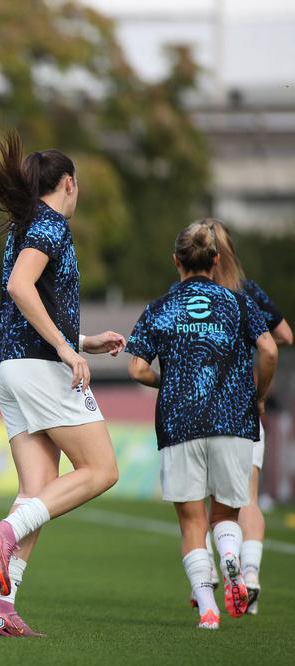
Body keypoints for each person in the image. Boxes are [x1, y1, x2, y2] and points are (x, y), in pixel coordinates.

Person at [0, 131, 123, 637]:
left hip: (8, 368)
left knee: (37, 490)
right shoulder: (51, 225)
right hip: (38, 365)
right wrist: (65, 348)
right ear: (69, 184)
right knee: (101, 469)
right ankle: (4, 532)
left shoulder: (25, 227)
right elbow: (20, 287)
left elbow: (28, 301)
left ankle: (0, 607)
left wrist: (83, 337)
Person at [126, 222, 277, 629]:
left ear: (176, 261)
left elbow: (137, 368)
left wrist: (167, 379)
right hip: (232, 420)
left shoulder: (160, 307)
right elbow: (268, 348)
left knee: (191, 521)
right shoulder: (239, 303)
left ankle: (208, 609)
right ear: (215, 261)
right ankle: (232, 558)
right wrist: (259, 393)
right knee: (226, 514)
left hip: (178, 423)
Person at [193, 219, 291, 615]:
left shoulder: (188, 291)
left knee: (198, 499)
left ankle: (209, 572)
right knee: (246, 498)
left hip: (196, 408)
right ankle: (249, 575)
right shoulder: (246, 293)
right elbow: (283, 336)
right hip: (242, 406)